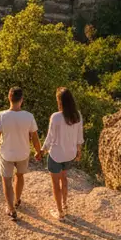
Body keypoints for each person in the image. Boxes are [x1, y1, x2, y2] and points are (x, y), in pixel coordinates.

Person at [0, 86, 42, 221]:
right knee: (19, 176)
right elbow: (35, 137)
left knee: (7, 180)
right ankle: (17, 200)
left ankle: (11, 209)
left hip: (6, 153)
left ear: (9, 98)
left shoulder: (2, 115)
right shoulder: (29, 116)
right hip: (23, 153)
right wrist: (38, 150)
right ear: (22, 100)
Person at [42, 87, 83, 220]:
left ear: (60, 101)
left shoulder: (56, 117)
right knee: (64, 178)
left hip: (56, 155)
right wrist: (78, 151)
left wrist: (43, 149)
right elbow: (79, 135)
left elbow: (50, 137)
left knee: (55, 183)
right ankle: (65, 205)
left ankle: (59, 213)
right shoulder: (77, 115)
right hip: (70, 154)